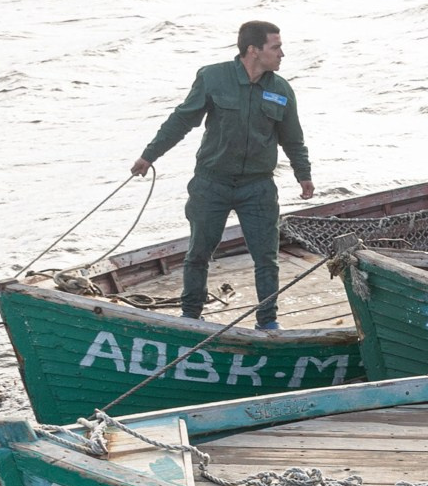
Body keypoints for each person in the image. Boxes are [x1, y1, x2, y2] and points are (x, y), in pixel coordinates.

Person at [130, 19, 313, 331]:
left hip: (257, 187)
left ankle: (267, 322)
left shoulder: (281, 90)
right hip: (211, 182)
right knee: (199, 252)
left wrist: (303, 175)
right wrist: (149, 155)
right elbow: (182, 120)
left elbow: (292, 138)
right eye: (276, 47)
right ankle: (191, 317)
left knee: (266, 257)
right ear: (253, 50)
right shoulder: (213, 77)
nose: (282, 54)